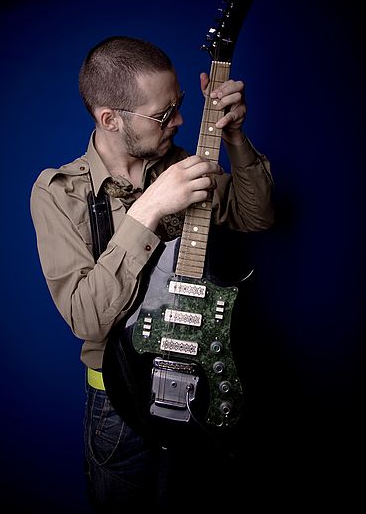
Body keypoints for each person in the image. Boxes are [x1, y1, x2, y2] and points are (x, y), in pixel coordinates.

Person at [30, 35, 274, 510]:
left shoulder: (183, 163)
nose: (179, 121)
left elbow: (258, 216)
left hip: (205, 388)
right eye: (164, 115)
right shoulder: (58, 193)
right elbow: (86, 318)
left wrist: (236, 139)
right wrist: (152, 207)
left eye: (178, 105)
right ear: (110, 119)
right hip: (119, 406)